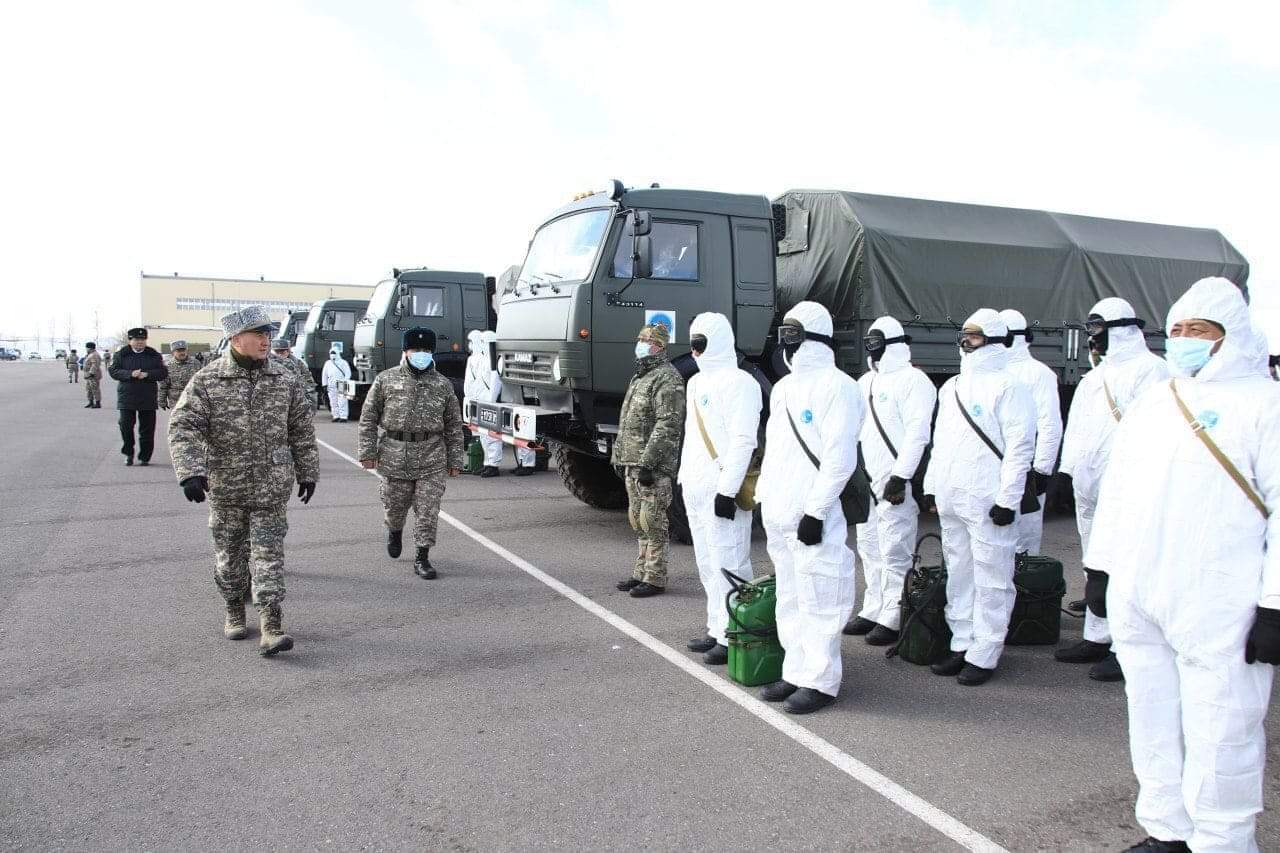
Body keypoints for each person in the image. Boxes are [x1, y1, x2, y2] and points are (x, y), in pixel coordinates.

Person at [1086, 277, 1280, 853]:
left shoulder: (1264, 405)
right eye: (1176, 330)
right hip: (1142, 592)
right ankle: (1167, 829)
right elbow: (1119, 489)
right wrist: (1101, 567)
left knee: (1222, 729)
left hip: (1220, 601)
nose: (1185, 340)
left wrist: (1275, 605)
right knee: (1152, 719)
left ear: (1231, 336)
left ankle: (1223, 841)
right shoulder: (1157, 400)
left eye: (1200, 330)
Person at [168, 306, 318, 656]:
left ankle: (272, 624)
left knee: (269, 556)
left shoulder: (284, 378)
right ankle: (234, 608)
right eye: (259, 335)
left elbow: (301, 429)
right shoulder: (208, 380)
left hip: (271, 486)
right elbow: (183, 426)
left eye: (268, 334)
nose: (266, 341)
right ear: (236, 339)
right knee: (230, 557)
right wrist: (190, 471)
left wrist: (308, 470)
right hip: (226, 485)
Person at [756, 301, 863, 714]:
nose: (786, 339)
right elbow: (776, 449)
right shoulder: (783, 388)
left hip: (811, 513)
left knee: (821, 594)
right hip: (780, 510)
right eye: (784, 330)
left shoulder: (839, 386)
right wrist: (765, 496)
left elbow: (839, 457)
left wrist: (816, 511)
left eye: (794, 331)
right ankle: (795, 669)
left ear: (814, 334)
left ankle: (821, 679)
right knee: (789, 595)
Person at [1055, 298, 1168, 682]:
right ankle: (1097, 635)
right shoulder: (1096, 375)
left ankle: (1126, 645)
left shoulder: (1151, 371)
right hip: (1090, 485)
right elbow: (1078, 425)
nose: (1092, 337)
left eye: (1098, 328)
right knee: (1095, 562)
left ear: (1120, 328)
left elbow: (1152, 433)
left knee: (1126, 568)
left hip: (1127, 488)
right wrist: (1066, 471)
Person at [923, 309, 1035, 686]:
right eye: (964, 334)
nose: (964, 340)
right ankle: (961, 641)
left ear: (992, 338)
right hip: (954, 496)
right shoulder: (951, 386)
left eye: (972, 335)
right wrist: (932, 486)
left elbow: (1020, 447)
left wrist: (1008, 498)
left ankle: (985, 651)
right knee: (959, 571)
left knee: (993, 575)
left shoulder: (1010, 386)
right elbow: (941, 442)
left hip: (989, 499)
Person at [845, 316, 936, 645]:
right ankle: (873, 607)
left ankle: (894, 614)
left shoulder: (915, 381)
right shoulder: (865, 382)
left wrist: (901, 476)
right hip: (868, 480)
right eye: (869, 341)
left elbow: (917, 434)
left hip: (895, 482)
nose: (872, 347)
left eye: (877, 340)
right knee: (869, 547)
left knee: (895, 548)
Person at [679, 312, 761, 665]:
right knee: (708, 564)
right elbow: (691, 438)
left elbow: (744, 441)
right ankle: (716, 627)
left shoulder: (742, 383)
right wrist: (683, 478)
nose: (694, 351)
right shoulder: (695, 383)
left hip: (720, 489)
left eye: (700, 343)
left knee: (731, 562)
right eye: (692, 343)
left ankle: (736, 634)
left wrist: (727, 491)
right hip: (695, 487)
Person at [358, 328, 464, 579]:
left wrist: (456, 459)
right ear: (405, 352)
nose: (421, 355)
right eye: (416, 350)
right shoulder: (385, 379)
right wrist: (367, 451)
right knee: (395, 507)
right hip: (394, 454)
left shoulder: (442, 385)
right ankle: (394, 531)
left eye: (426, 350)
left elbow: (453, 424)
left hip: (432, 456)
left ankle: (422, 557)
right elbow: (368, 418)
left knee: (428, 510)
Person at [611, 322, 685, 598]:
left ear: (660, 346)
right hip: (633, 461)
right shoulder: (640, 376)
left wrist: (649, 463)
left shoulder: (667, 378)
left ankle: (655, 577)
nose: (640, 343)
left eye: (646, 340)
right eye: (640, 338)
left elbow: (667, 425)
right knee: (637, 520)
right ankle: (640, 572)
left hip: (651, 465)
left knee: (653, 521)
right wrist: (619, 457)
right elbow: (628, 421)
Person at [998, 309, 1063, 556]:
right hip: (993, 467)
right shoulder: (993, 373)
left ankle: (1026, 593)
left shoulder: (1038, 374)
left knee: (1023, 540)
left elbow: (1050, 423)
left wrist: (1042, 469)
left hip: (1025, 470)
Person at [109, 327, 167, 467]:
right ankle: (128, 453)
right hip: (127, 396)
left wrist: (148, 374)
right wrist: (129, 374)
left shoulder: (153, 354)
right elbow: (113, 371)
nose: (140, 342)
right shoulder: (122, 354)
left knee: (147, 429)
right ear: (130, 340)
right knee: (125, 426)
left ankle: (145, 456)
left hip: (147, 396)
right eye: (136, 340)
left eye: (142, 340)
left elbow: (162, 372)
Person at [465, 330, 505, 477]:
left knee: (492, 435)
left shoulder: (494, 360)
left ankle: (494, 465)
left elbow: (495, 383)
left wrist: (491, 400)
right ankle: (488, 463)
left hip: (489, 401)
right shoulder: (481, 359)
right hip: (480, 400)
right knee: (483, 435)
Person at [271, 337, 317, 412]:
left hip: (292, 402)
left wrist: (310, 407)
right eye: (277, 352)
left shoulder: (298, 364)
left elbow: (309, 385)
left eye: (282, 352)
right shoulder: (267, 364)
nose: (279, 355)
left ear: (288, 351)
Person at [158, 340, 201, 411]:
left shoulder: (196, 363)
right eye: (178, 351)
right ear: (173, 352)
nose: (182, 353)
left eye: (183, 350)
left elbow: (202, 382)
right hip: (176, 402)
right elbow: (163, 386)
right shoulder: (167, 366)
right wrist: (162, 401)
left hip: (193, 401)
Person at [322, 348, 351, 421]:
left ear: (338, 353)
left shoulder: (343, 362)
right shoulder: (327, 363)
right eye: (331, 353)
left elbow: (348, 373)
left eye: (334, 353)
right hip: (331, 385)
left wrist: (345, 381)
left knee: (343, 401)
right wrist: (324, 384)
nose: (332, 354)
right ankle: (336, 416)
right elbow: (324, 374)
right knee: (333, 401)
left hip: (342, 383)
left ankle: (343, 417)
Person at [81, 342, 102, 408]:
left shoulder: (94, 355)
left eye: (86, 348)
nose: (86, 349)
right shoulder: (90, 354)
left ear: (89, 348)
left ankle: (98, 403)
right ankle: (91, 402)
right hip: (88, 375)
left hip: (93, 375)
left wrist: (91, 373)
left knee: (95, 389)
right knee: (89, 389)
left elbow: (95, 365)